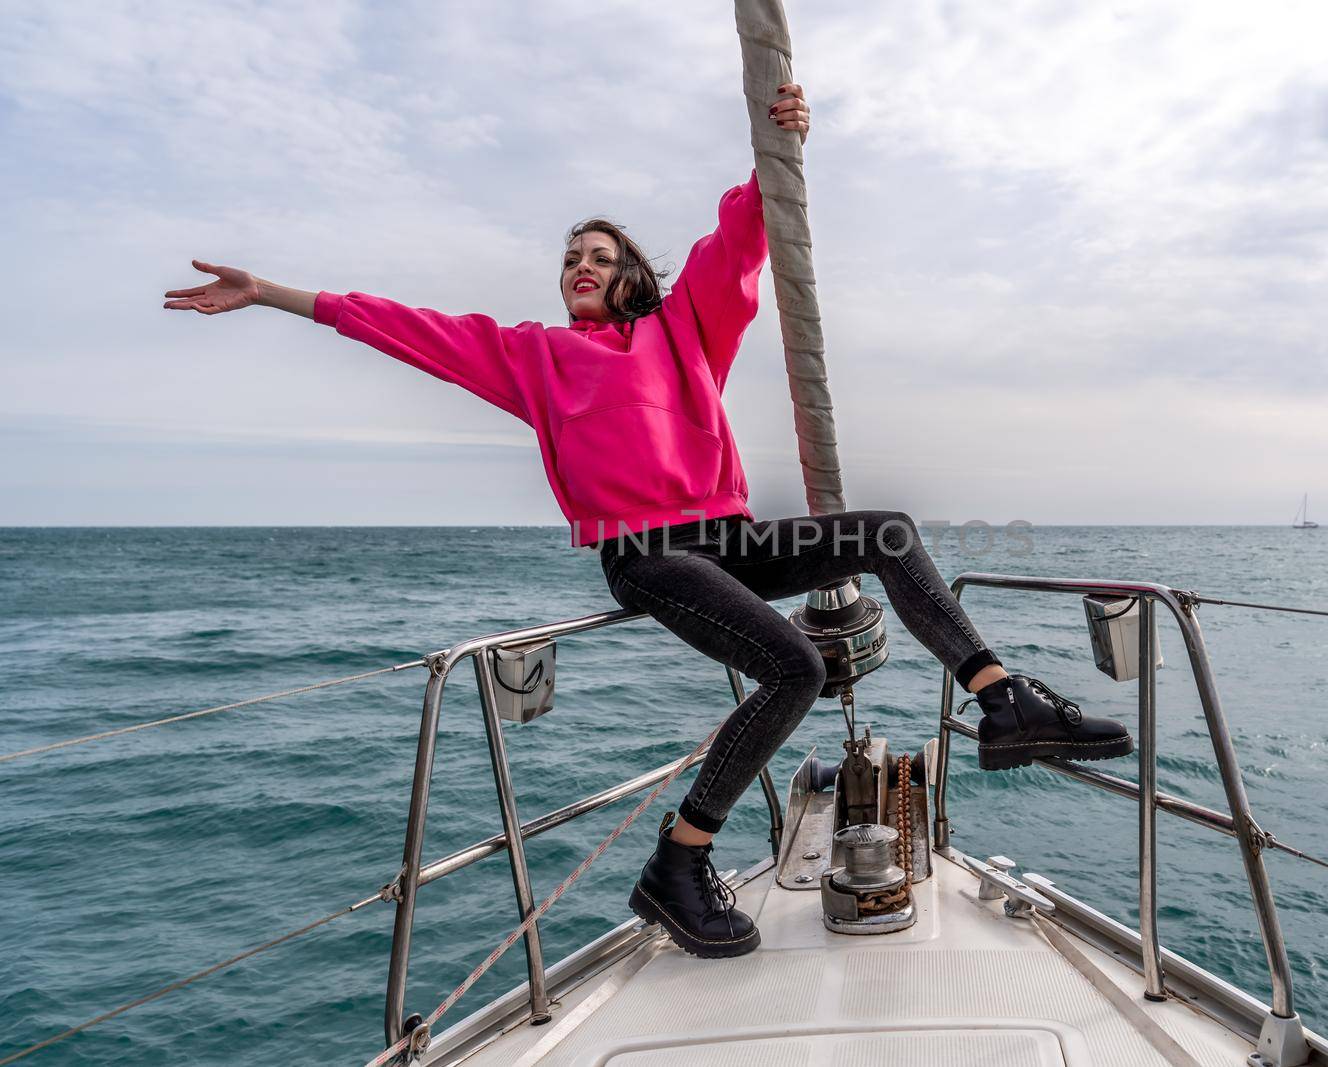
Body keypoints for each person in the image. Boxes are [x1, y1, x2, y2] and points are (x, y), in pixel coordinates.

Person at [162, 83, 1132, 961]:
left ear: (633, 275)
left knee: (886, 532)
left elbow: (739, 240)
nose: (579, 266)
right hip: (646, 552)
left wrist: (775, 147)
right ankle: (680, 861)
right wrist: (272, 293)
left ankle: (1000, 701)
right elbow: (399, 323)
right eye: (569, 259)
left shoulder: (684, 331)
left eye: (599, 256)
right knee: (792, 665)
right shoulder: (530, 355)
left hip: (732, 537)